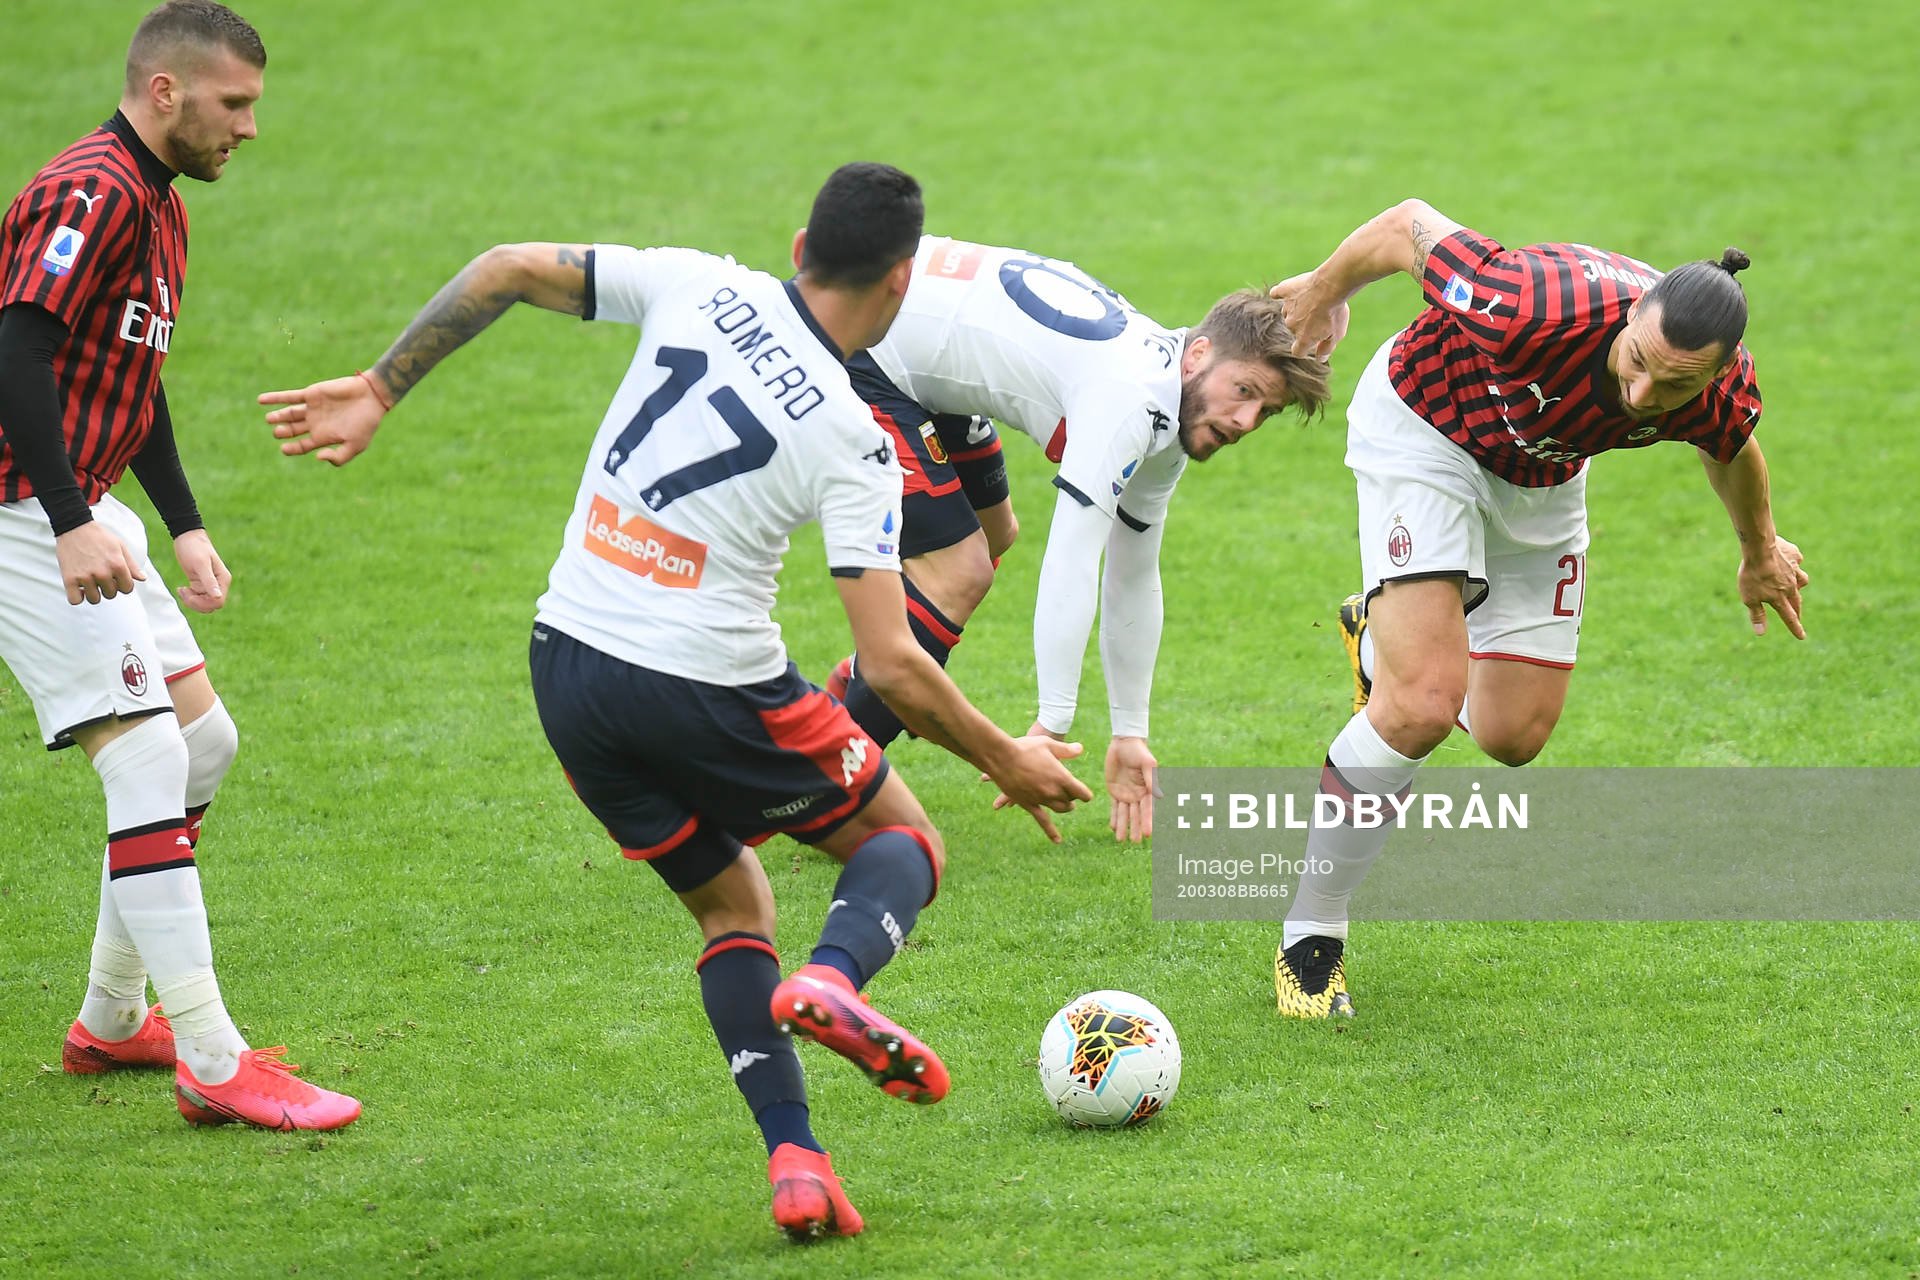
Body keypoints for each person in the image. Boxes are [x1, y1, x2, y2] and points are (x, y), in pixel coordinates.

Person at [257, 163, 1090, 1240]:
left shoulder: (697, 282)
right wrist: (1005, 758)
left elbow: (506, 267)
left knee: (735, 907)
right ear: (898, 283)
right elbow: (890, 664)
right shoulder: (852, 437)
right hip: (707, 679)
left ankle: (797, 1160)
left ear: (800, 245)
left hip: (566, 664)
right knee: (903, 845)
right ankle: (834, 977)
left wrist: (379, 385)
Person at [1267, 199, 1808, 1018]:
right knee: (1418, 710)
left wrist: (1760, 550)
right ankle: (1311, 938)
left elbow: (1730, 448)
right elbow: (1405, 226)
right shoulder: (1528, 301)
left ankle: (1377, 640)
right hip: (1426, 430)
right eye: (1637, 362)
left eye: (1675, 384)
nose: (1642, 392)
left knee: (1512, 737)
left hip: (1543, 479)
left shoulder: (1712, 389)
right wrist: (1320, 291)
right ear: (1630, 317)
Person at [0, 1, 359, 1131]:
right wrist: (67, 518)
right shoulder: (90, 193)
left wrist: (184, 519)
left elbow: (129, 373)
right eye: (234, 103)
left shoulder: (160, 207)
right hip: (18, 508)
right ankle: (212, 1054)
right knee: (149, 755)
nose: (250, 128)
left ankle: (113, 1020)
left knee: (206, 739)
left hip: (79, 501)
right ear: (166, 92)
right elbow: (14, 342)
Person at [826, 235, 1331, 840]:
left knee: (994, 534)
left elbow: (1134, 570)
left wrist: (1130, 731)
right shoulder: (1133, 397)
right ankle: (820, 777)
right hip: (861, 342)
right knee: (959, 571)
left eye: (1264, 412)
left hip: (915, 356)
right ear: (1198, 354)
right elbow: (1074, 552)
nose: (1245, 422)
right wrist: (1052, 724)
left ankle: (852, 688)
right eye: (1244, 392)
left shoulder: (1173, 405)